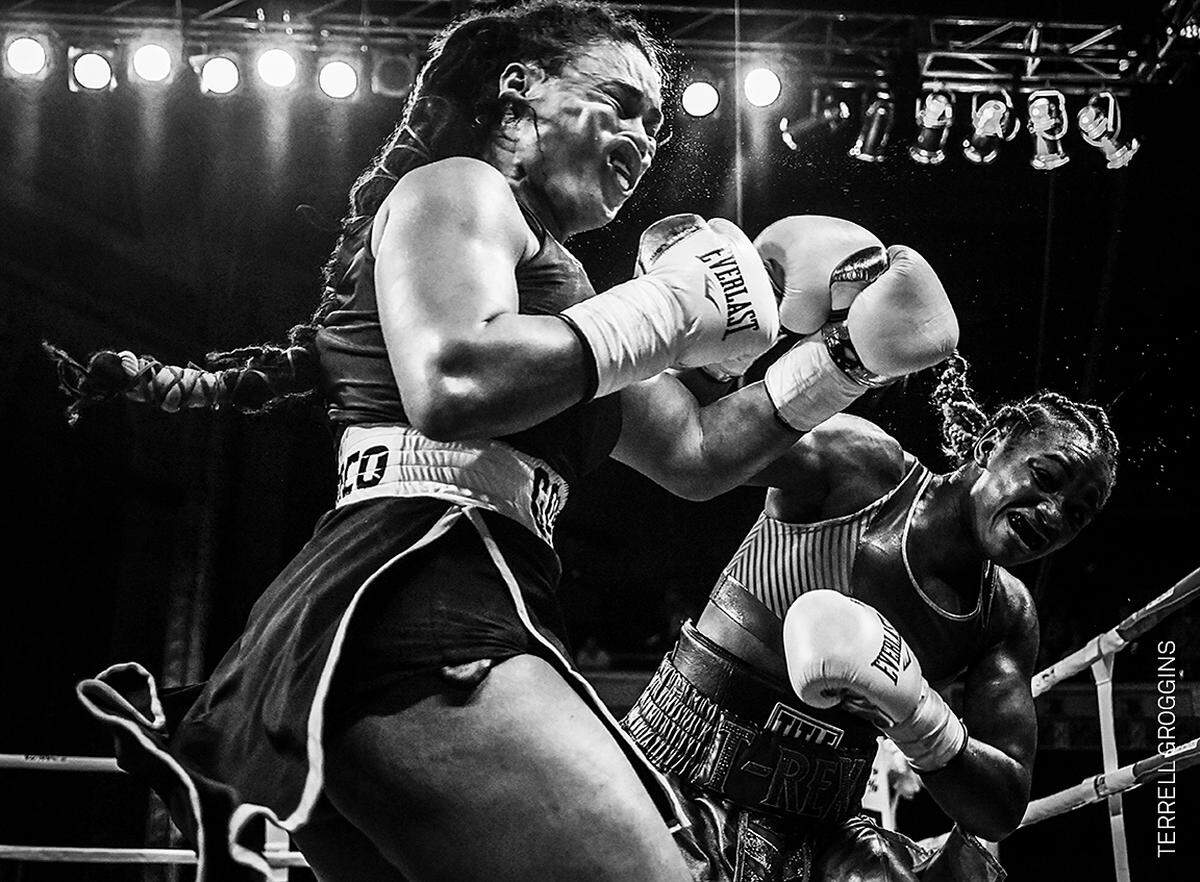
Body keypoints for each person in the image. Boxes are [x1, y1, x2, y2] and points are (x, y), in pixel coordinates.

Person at [55, 2, 958, 879]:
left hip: (437, 599)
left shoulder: (567, 298)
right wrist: (675, 304)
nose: (645, 140)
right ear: (520, 92)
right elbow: (452, 381)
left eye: (655, 122)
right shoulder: (459, 187)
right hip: (414, 588)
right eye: (621, 101)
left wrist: (848, 356)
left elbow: (694, 452)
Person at [624, 333, 1119, 881]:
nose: (1052, 513)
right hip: (674, 768)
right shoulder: (861, 469)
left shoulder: (1004, 615)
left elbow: (1003, 804)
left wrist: (922, 720)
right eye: (1044, 477)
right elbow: (697, 438)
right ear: (991, 443)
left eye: (1076, 516)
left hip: (822, 828)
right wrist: (728, 349)